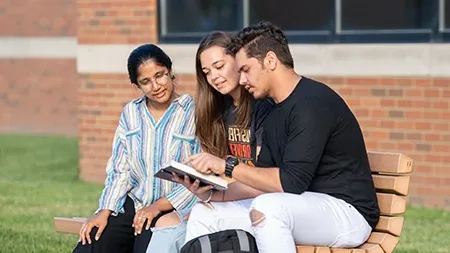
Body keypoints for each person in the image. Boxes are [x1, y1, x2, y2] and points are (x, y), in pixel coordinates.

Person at [178, 21, 380, 253]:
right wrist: (216, 194)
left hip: (347, 213)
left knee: (269, 207)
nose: (242, 80)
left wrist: (227, 166)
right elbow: (262, 182)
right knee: (205, 213)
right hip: (301, 205)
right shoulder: (273, 109)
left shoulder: (312, 103)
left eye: (245, 70)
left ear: (271, 61)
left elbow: (290, 183)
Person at [147, 31, 273, 253]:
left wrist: (215, 197)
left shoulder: (261, 106)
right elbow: (223, 177)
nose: (214, 76)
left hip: (264, 202)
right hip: (233, 199)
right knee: (171, 224)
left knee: (200, 216)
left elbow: (265, 179)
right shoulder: (220, 112)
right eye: (207, 72)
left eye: (219, 66)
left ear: (238, 60)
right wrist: (202, 188)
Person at [72, 44, 200, 253]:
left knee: (145, 247)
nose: (156, 86)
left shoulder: (194, 113)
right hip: (135, 203)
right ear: (137, 85)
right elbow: (120, 170)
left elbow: (199, 176)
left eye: (160, 75)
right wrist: (105, 210)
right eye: (145, 82)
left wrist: (158, 207)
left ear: (170, 71)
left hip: (170, 208)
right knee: (93, 242)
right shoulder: (131, 113)